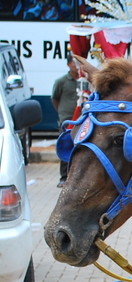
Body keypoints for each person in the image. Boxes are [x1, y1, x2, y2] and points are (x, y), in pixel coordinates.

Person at [51, 56, 82, 186]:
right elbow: (55, 99)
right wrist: (62, 113)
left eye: (79, 63)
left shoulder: (84, 81)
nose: (77, 66)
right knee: (66, 146)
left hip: (82, 119)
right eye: (74, 63)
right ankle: (64, 177)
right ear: (69, 64)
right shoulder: (61, 81)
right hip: (67, 120)